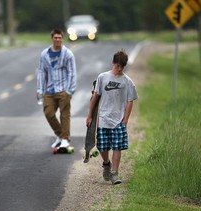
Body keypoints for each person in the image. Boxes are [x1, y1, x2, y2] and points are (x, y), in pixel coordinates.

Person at [86, 49, 138, 184]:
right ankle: (106, 163)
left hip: (118, 120)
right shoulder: (102, 77)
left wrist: (125, 120)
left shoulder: (128, 82)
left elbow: (130, 101)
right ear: (113, 63)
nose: (119, 69)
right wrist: (90, 115)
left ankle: (115, 173)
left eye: (122, 66)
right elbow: (95, 96)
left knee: (117, 147)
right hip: (104, 118)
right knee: (102, 146)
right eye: (117, 65)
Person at [37, 28, 77, 148]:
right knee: (48, 113)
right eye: (55, 37)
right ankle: (60, 134)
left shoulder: (67, 54)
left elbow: (72, 72)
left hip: (63, 89)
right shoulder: (45, 54)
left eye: (60, 38)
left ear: (62, 39)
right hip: (49, 90)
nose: (58, 40)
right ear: (52, 38)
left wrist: (70, 90)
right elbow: (41, 72)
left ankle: (65, 139)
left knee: (64, 114)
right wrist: (40, 89)